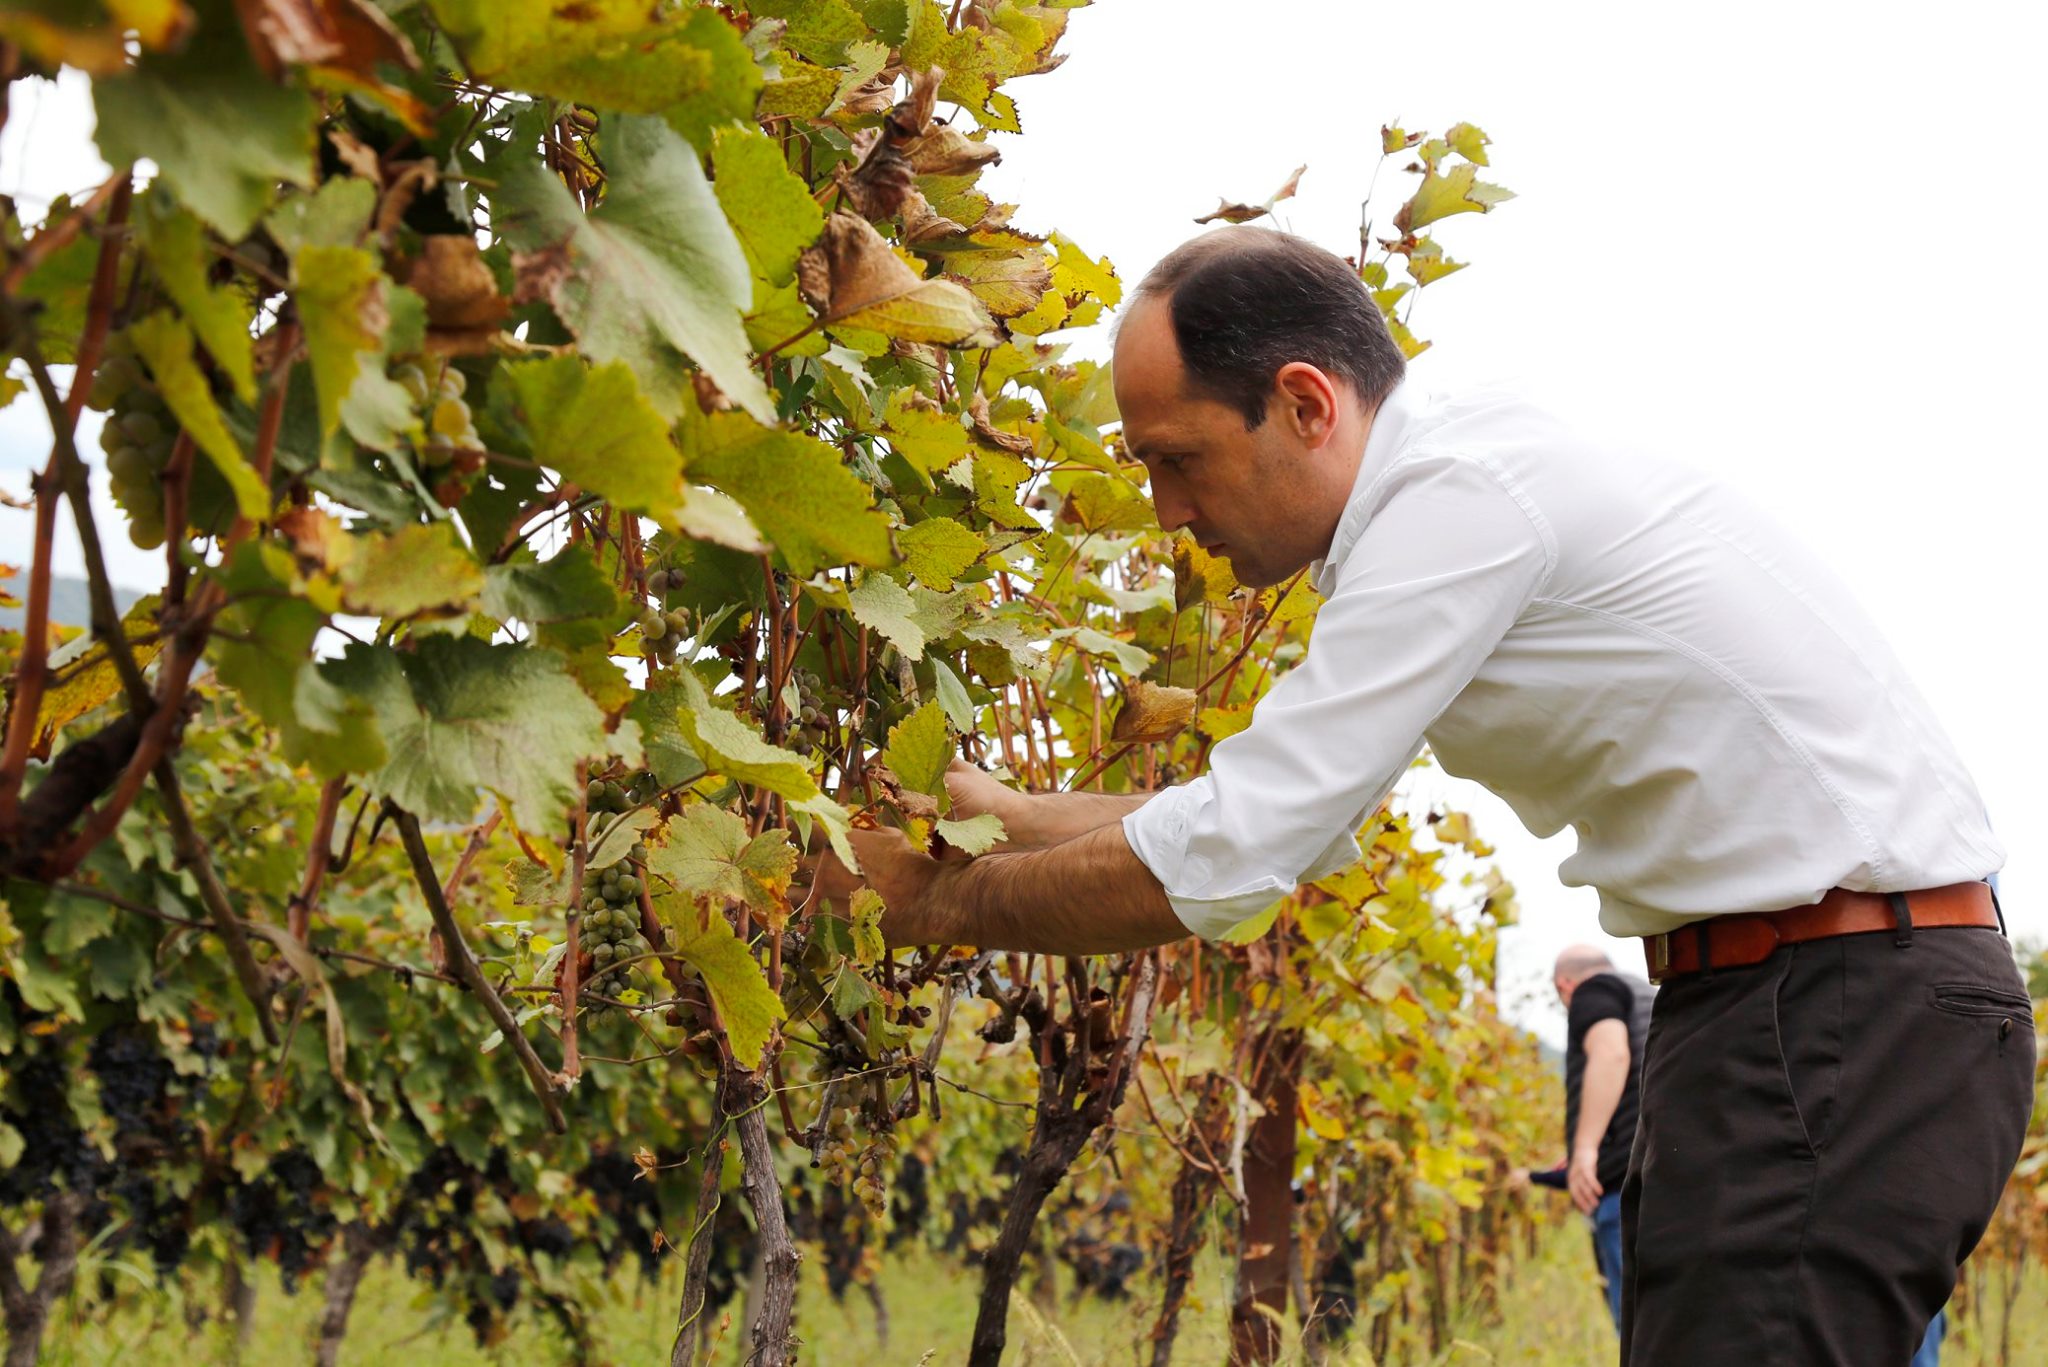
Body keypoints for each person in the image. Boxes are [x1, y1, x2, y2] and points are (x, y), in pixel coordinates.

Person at [830, 227, 2034, 1364]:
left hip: (1833, 1004)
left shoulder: (1458, 499)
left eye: (1176, 458)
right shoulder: (1452, 486)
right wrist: (1007, 814)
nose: (1167, 512)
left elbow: (1234, 849)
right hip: (1800, 1000)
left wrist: (931, 904)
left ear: (1304, 404)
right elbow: (1280, 815)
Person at [1515, 946, 1655, 1332]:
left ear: (1564, 985)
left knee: (1636, 1327)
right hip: (1659, 1177)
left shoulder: (1594, 991)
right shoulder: (1646, 996)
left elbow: (1610, 1053)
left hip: (1621, 1191)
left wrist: (1586, 1150)